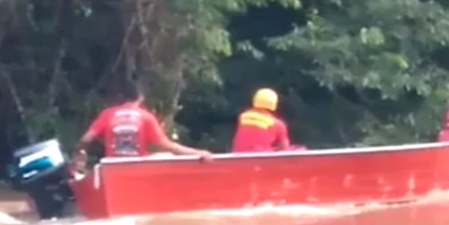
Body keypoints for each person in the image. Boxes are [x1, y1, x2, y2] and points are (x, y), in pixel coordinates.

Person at [71, 82, 211, 173]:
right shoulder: (145, 116)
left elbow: (86, 139)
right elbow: (167, 145)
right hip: (137, 167)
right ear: (140, 98)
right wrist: (197, 153)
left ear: (121, 98)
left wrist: (80, 155)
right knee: (167, 155)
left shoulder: (107, 114)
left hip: (112, 168)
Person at [231, 88, 303, 153]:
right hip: (260, 161)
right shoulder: (277, 125)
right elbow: (284, 150)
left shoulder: (243, 117)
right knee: (300, 149)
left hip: (237, 158)